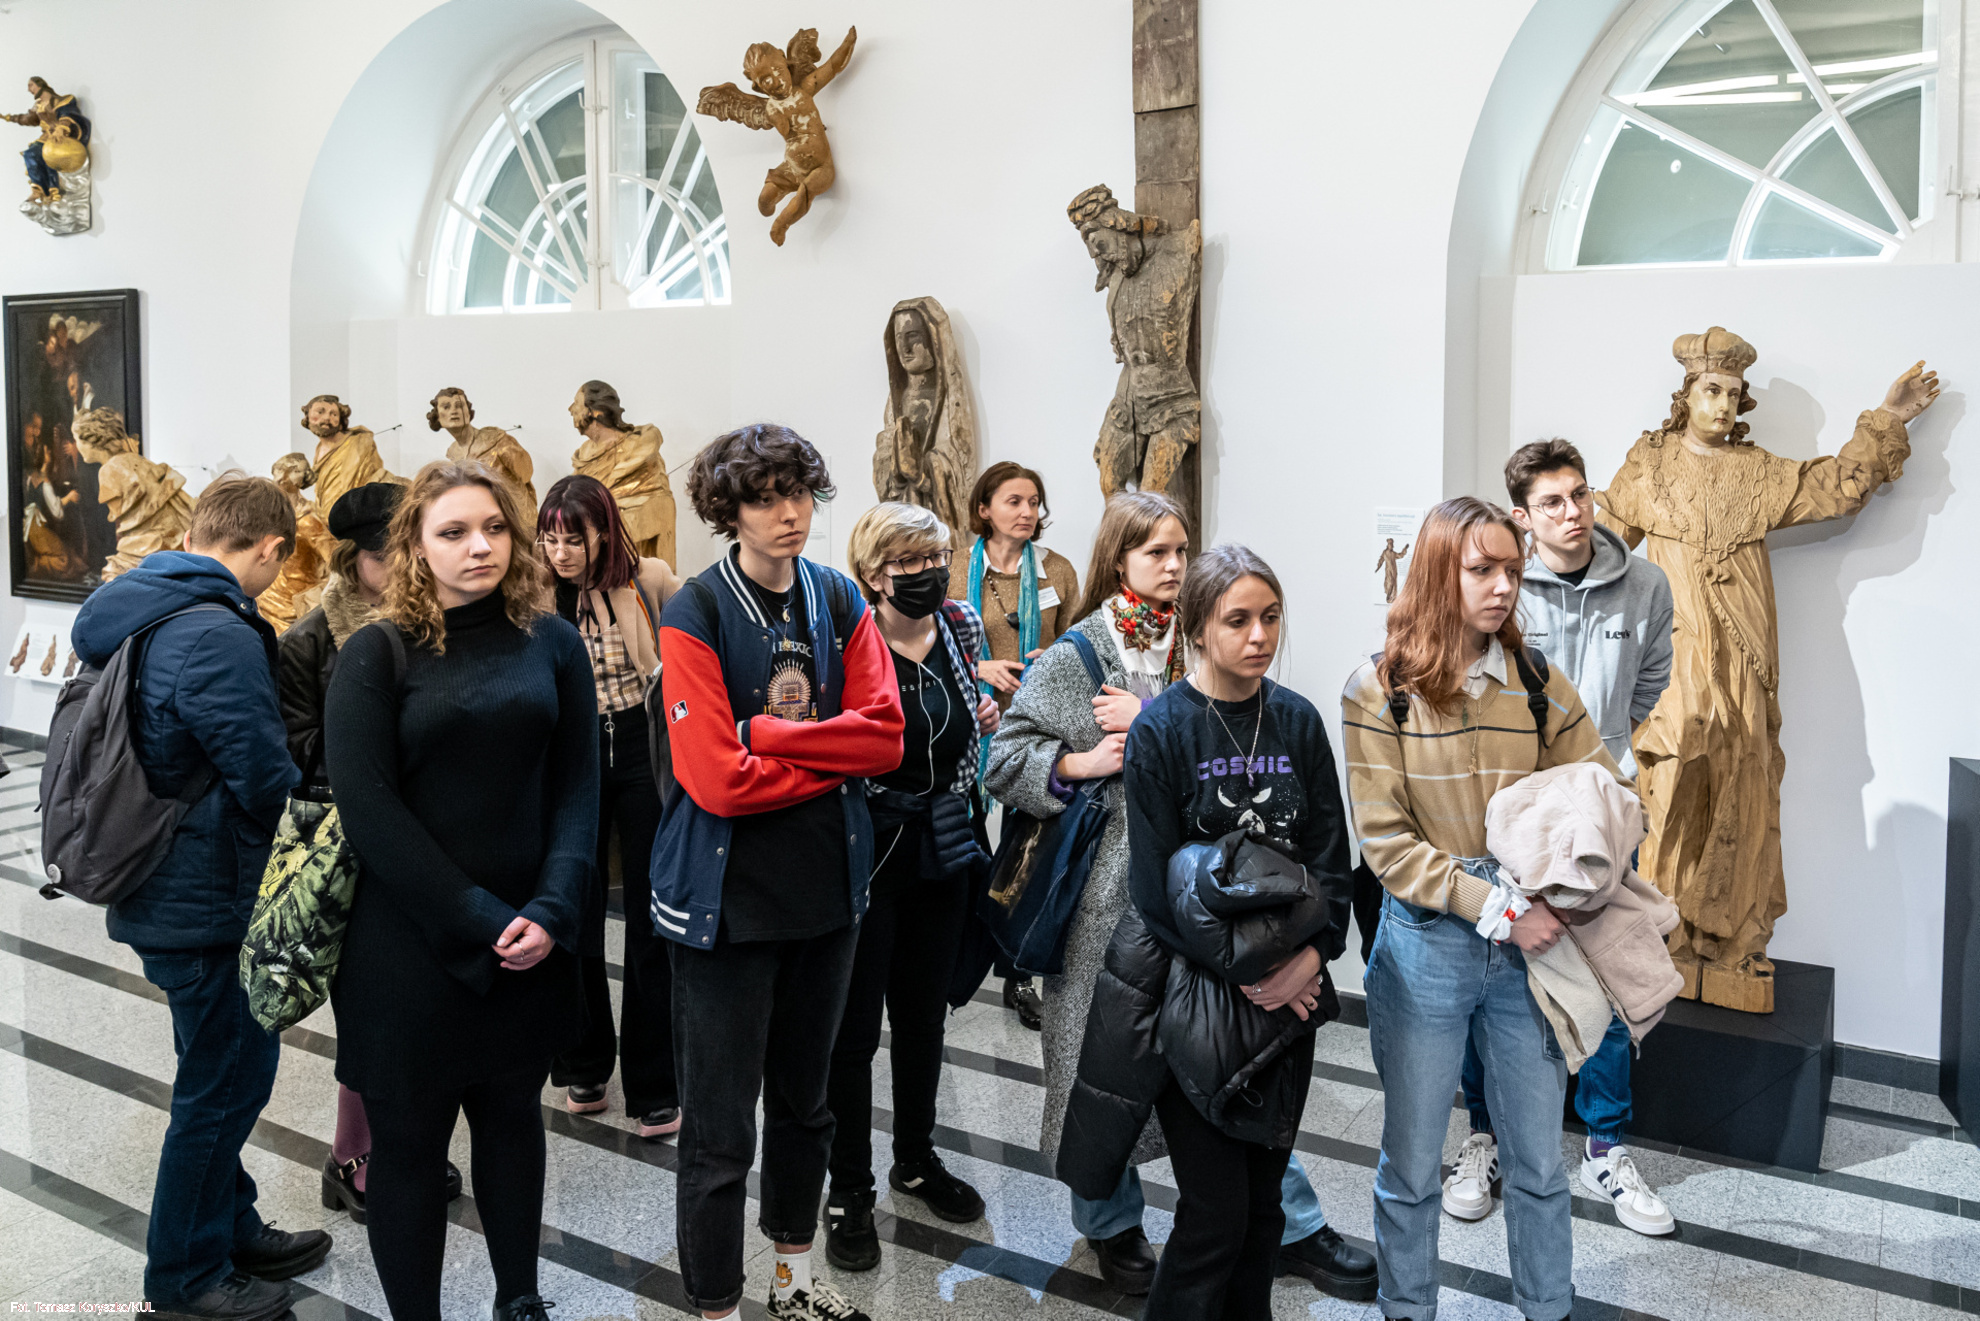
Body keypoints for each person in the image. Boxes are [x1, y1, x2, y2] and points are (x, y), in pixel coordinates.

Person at [324, 461, 597, 1321]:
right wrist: (480, 916)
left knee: (513, 1121)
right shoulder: (376, 652)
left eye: (494, 527)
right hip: (407, 948)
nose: (480, 545)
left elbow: (578, 787)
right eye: (453, 531)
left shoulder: (551, 641)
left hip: (530, 938)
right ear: (415, 545)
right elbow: (371, 812)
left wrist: (552, 907)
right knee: (408, 1148)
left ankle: (520, 1298)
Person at [1343, 496, 1626, 1321]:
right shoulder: (1379, 689)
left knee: (1538, 1161)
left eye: (1512, 569)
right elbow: (1388, 846)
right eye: (1482, 569)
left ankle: (1548, 1306)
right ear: (1439, 572)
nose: (1504, 585)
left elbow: (1601, 789)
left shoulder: (1536, 681)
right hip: (1426, 944)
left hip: (1531, 947)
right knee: (1411, 1162)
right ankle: (1407, 1308)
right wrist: (1499, 908)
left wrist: (1569, 879)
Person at [1061, 543, 1359, 1318]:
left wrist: (1312, 958)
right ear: (1196, 627)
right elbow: (1156, 891)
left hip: (1288, 1003)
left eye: (1270, 617)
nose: (1259, 635)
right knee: (1215, 1215)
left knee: (1262, 1216)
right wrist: (1258, 973)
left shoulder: (1297, 720)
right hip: (1195, 997)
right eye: (1238, 620)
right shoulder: (1164, 728)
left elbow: (1331, 864)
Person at [652, 424, 904, 1321]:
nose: (788, 513)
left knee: (808, 1108)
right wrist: (827, 758)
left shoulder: (839, 596)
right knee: (720, 1132)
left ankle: (793, 1284)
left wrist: (765, 735)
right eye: (763, 499)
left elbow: (886, 737)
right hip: (725, 907)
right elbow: (715, 779)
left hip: (827, 895)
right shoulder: (696, 610)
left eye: (798, 493)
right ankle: (716, 1305)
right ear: (730, 511)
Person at [70, 473, 329, 1321]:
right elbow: (259, 772)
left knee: (212, 1070)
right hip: (206, 894)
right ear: (272, 549)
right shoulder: (216, 629)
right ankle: (183, 1278)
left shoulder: (144, 604)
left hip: (161, 880)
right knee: (224, 1086)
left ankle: (231, 1226)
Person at [1435, 440, 1676, 1236]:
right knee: (1494, 974)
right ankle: (1484, 1135)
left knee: (1606, 976)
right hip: (1508, 819)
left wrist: (1602, 766)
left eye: (1580, 495)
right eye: (1552, 502)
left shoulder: (1646, 585)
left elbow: (1651, 682)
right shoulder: (1499, 585)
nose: (1573, 513)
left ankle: (1606, 1146)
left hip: (1600, 815)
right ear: (1522, 515)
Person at [982, 490, 1187, 1296]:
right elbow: (1006, 759)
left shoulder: (1199, 640)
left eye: (1181, 550)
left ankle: (1280, 1212)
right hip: (1101, 895)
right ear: (1119, 558)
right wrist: (1079, 762)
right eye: (1156, 552)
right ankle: (1108, 1220)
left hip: (1192, 886)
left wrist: (1154, 720)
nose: (1174, 566)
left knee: (1216, 1051)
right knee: (1093, 1058)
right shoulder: (1080, 653)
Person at [276, 482, 464, 1221]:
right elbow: (297, 749)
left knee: (423, 1004)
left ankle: (406, 1141)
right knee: (370, 1009)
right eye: (388, 557)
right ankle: (352, 1154)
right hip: (348, 840)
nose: (403, 569)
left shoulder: (436, 624)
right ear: (354, 560)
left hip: (430, 835)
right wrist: (375, 758)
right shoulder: (310, 638)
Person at [824, 502, 1000, 1272]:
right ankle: (849, 1187)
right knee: (854, 1033)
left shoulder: (959, 624)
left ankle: (916, 1158)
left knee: (925, 1018)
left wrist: (982, 715)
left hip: (942, 850)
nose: (928, 573)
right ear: (872, 572)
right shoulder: (847, 640)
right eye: (908, 562)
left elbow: (965, 729)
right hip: (869, 852)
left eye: (935, 557)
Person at [536, 473, 684, 1137]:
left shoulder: (650, 578)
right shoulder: (534, 591)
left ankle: (655, 1081)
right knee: (577, 906)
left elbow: (691, 652)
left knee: (652, 914)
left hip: (641, 742)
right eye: (550, 539)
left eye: (574, 538)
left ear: (604, 530)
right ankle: (585, 1061)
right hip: (571, 751)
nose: (561, 552)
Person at [947, 460, 1081, 1031]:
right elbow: (929, 640)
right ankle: (957, 959)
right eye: (1014, 501)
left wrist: (1055, 659)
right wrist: (980, 667)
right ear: (985, 508)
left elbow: (1079, 642)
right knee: (971, 849)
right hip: (970, 722)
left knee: (1026, 854)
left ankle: (1019, 975)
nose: (1027, 512)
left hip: (1037, 726)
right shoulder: (955, 567)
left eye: (1033, 502)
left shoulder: (1058, 570)